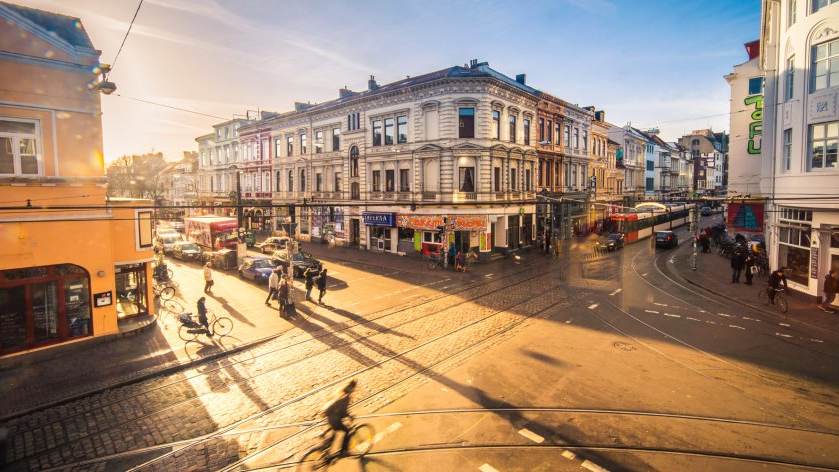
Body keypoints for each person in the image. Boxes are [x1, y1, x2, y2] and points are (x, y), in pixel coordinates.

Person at [320, 379, 357, 458]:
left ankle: (324, 449)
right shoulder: (346, 397)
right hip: (335, 419)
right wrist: (350, 416)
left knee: (335, 432)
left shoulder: (340, 391)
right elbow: (343, 411)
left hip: (329, 416)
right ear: (353, 388)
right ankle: (344, 451)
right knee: (347, 431)